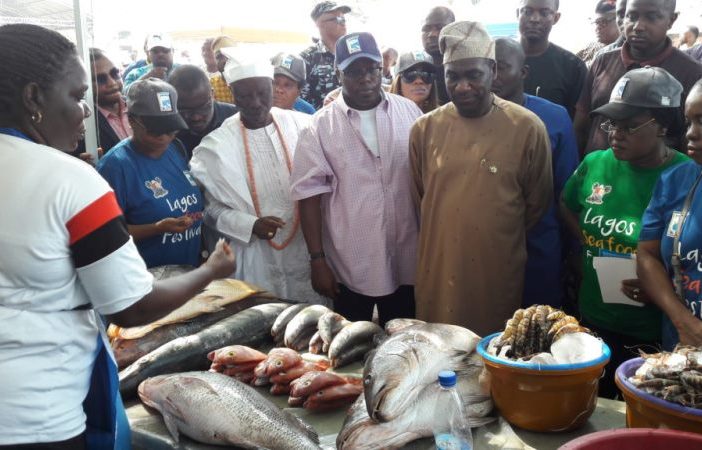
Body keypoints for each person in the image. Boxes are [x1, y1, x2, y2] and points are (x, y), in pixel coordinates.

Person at [0, 23, 235, 450]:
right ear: (33, 98)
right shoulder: (69, 179)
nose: (85, 112)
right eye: (75, 96)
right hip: (37, 415)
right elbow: (131, 306)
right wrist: (211, 272)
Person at [410, 21, 553, 337]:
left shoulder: (527, 128)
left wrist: (490, 231)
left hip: (496, 271)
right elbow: (421, 197)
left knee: (490, 360)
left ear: (492, 70)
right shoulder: (425, 129)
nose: (462, 86)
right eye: (453, 76)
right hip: (438, 268)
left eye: (473, 75)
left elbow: (536, 204)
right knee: (436, 355)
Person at [561, 67, 689, 398]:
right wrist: (586, 247)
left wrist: (662, 292)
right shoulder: (595, 163)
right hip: (594, 314)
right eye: (611, 124)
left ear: (663, 125)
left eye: (629, 125)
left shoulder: (686, 178)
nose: (615, 133)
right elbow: (566, 205)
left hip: (652, 327)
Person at [291, 32, 422, 325]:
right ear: (339, 73)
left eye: (370, 69)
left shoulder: (410, 112)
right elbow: (309, 197)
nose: (364, 79)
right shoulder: (319, 128)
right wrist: (317, 260)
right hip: (351, 263)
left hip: (408, 257)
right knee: (348, 348)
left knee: (403, 340)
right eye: (353, 71)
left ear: (381, 68)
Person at [190, 49, 325, 303]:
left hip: (306, 249)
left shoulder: (305, 125)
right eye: (244, 95)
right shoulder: (213, 148)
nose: (255, 102)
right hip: (255, 256)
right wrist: (249, 224)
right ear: (232, 95)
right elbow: (210, 211)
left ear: (272, 87)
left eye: (262, 93)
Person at [492, 37, 579, 308]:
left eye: (501, 67)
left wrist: (571, 253)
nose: (492, 77)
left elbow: (567, 190)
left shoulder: (554, 117)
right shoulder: (469, 118)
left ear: (523, 73)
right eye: (487, 67)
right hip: (488, 245)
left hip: (539, 244)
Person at [97, 78, 204, 268]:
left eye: (171, 129)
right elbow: (106, 234)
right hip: (149, 279)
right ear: (131, 120)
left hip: (189, 271)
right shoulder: (115, 167)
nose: (164, 137)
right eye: (156, 130)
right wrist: (156, 228)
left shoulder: (176, 148)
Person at [574, 0, 702, 156]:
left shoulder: (693, 73)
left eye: (652, 17)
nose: (638, 26)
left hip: (659, 178)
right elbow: (580, 127)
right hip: (597, 176)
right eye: (632, 16)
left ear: (671, 20)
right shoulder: (602, 62)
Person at [638, 79, 702, 349]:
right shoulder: (676, 180)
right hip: (681, 350)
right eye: (689, 122)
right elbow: (647, 254)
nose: (691, 133)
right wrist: (683, 322)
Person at [518, 0, 587, 118]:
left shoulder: (573, 67)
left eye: (544, 13)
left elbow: (578, 124)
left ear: (556, 18)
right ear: (517, 14)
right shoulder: (497, 60)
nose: (534, 19)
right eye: (527, 12)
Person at [168, 64, 237, 159]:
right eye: (184, 110)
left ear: (212, 94)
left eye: (203, 107)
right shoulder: (168, 132)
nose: (196, 117)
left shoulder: (236, 118)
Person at [74, 48, 131, 162]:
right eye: (100, 79)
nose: (112, 83)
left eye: (115, 74)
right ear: (85, 84)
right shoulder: (81, 122)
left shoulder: (139, 106)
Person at [300, 1, 351, 109]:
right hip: (320, 123)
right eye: (337, 19)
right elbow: (300, 101)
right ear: (320, 24)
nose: (343, 23)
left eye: (344, 19)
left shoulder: (352, 54)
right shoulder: (307, 58)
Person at [421, 6, 455, 105]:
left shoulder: (468, 67)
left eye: (440, 28)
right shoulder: (413, 71)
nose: (432, 34)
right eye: (426, 29)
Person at [577, 0, 621, 67]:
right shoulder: (587, 51)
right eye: (596, 22)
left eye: (603, 22)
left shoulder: (631, 52)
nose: (597, 28)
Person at [210, 35, 236, 104]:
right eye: (219, 57)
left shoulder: (249, 82)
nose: (224, 60)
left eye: (228, 55)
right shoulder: (211, 85)